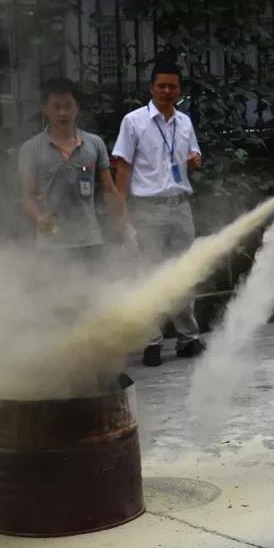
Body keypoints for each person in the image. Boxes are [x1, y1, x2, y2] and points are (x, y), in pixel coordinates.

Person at [112, 60, 205, 367]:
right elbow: (122, 167)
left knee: (184, 274)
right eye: (161, 85)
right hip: (147, 210)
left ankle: (187, 339)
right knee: (148, 275)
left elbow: (194, 154)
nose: (167, 91)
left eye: (172, 86)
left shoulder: (185, 122)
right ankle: (151, 342)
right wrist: (120, 212)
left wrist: (194, 159)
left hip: (180, 208)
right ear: (151, 88)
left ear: (179, 90)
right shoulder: (133, 122)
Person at [18, 77, 129, 266]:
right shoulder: (31, 148)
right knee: (56, 285)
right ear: (45, 109)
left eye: (68, 106)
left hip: (90, 240)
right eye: (56, 107)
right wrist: (39, 218)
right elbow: (27, 195)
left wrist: (122, 223)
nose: (63, 113)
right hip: (51, 243)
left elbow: (110, 190)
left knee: (93, 284)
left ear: (77, 107)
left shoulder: (94, 144)